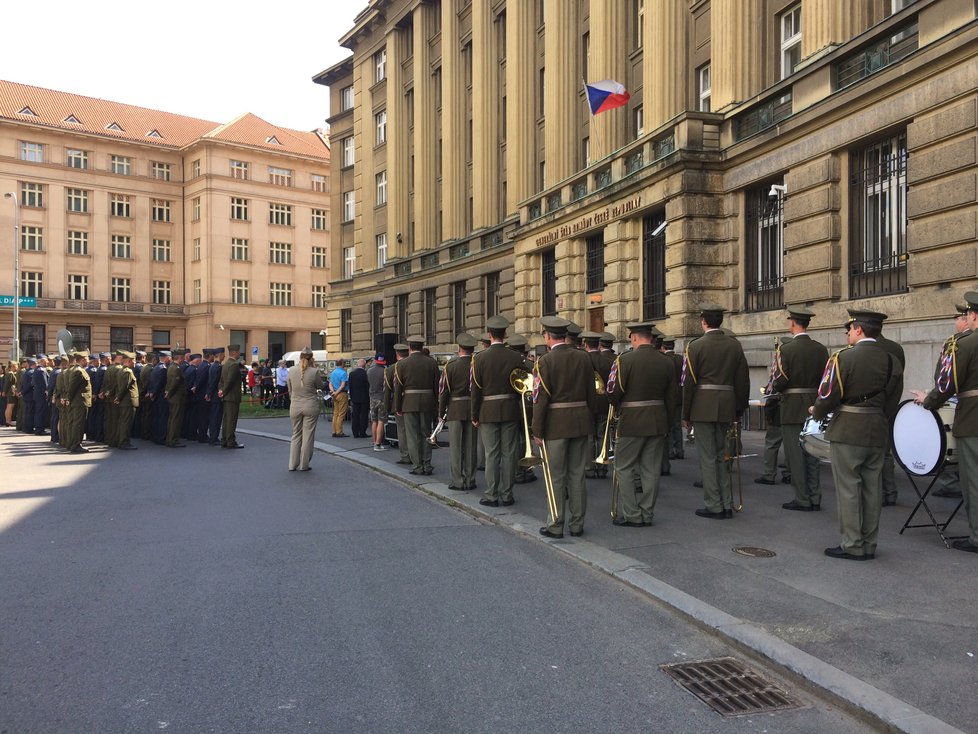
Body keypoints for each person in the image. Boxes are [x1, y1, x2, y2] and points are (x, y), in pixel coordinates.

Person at [812, 309, 903, 560]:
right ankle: (869, 543)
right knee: (872, 488)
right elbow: (893, 399)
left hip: (848, 428)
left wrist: (817, 411)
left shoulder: (843, 358)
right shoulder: (891, 360)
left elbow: (829, 394)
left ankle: (852, 544)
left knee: (849, 488)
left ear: (859, 329)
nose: (848, 334)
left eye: (850, 329)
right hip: (877, 428)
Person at [913, 294, 978, 553]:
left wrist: (928, 401)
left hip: (973, 417)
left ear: (972, 315)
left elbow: (946, 384)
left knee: (973, 480)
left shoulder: (966, 344)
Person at [682, 303, 750, 520]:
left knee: (708, 457)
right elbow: (743, 380)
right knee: (722, 455)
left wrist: (686, 414)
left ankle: (714, 504)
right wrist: (740, 408)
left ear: (703, 322)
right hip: (727, 404)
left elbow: (688, 384)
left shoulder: (695, 346)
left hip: (703, 405)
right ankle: (727, 502)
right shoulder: (734, 346)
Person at [606, 321, 678, 526]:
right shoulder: (666, 361)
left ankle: (632, 513)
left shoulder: (625, 360)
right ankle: (647, 513)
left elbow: (613, 392)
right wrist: (667, 420)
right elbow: (672, 396)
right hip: (658, 421)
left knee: (623, 466)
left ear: (635, 337)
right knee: (651, 469)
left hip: (631, 422)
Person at [533, 316, 599, 538]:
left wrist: (537, 430)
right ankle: (577, 524)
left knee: (556, 477)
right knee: (577, 475)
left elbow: (540, 399)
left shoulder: (545, 361)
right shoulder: (584, 358)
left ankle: (556, 523)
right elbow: (592, 394)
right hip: (580, 421)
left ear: (549, 337)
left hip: (556, 425)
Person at [773, 309, 829, 511]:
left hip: (792, 405)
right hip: (814, 403)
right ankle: (815, 496)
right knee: (812, 452)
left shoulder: (785, 350)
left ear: (793, 323)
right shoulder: (821, 349)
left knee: (795, 455)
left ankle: (802, 498)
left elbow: (779, 381)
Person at [471, 317, 524, 505]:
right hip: (510, 409)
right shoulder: (516, 357)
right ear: (505, 334)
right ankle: (507, 495)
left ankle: (492, 494)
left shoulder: (479, 359)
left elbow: (476, 390)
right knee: (509, 453)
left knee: (491, 454)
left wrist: (474, 415)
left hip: (488, 410)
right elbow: (522, 386)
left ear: (490, 335)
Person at [393, 336, 440, 476]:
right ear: (421, 346)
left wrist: (398, 406)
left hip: (409, 402)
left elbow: (398, 388)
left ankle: (417, 465)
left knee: (412, 435)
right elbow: (437, 386)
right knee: (427, 433)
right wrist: (437, 404)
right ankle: (427, 464)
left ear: (410, 347)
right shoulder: (431, 363)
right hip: (427, 402)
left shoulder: (402, 364)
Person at [440, 334, 478, 491]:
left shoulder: (451, 365)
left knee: (456, 447)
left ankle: (458, 481)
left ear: (459, 348)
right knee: (471, 446)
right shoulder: (477, 364)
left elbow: (444, 391)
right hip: (473, 408)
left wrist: (441, 412)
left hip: (455, 409)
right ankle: (470, 479)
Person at [286, 347, 325, 471]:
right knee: (308, 435)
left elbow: (289, 389)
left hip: (295, 405)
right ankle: (304, 464)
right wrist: (313, 367)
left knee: (296, 434)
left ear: (300, 357)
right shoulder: (314, 372)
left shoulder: (291, 370)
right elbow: (320, 385)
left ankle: (292, 464)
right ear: (311, 358)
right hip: (310, 405)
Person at [583, 331, 612, 480]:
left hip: (587, 403)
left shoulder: (581, 360)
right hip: (604, 403)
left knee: (589, 436)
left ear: (585, 344)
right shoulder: (608, 361)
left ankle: (589, 468)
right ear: (599, 345)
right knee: (603, 435)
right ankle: (602, 468)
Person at [62, 351, 93, 454]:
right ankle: (76, 445)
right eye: (87, 360)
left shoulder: (78, 370)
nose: (88, 362)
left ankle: (73, 444)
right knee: (78, 424)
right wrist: (69, 399)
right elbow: (72, 388)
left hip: (78, 401)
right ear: (83, 360)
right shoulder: (78, 371)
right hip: (79, 401)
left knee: (76, 423)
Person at [385, 345, 411, 464]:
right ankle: (417, 454)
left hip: (398, 402)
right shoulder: (414, 366)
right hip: (413, 401)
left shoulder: (391, 369)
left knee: (402, 430)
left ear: (397, 355)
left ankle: (405, 455)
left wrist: (387, 407)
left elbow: (388, 390)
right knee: (415, 430)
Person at [109, 351, 139, 450]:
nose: (135, 363)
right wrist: (119, 397)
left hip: (124, 401)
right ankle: (124, 442)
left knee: (123, 422)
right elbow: (124, 387)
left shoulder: (121, 370)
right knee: (126, 422)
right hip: (128, 401)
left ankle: (120, 440)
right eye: (134, 361)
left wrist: (118, 397)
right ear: (129, 361)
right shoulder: (128, 372)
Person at [219, 345, 245, 449]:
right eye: (239, 352)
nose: (240, 354)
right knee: (231, 420)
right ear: (234, 353)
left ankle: (224, 439)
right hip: (232, 396)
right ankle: (230, 441)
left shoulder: (226, 364)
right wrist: (224, 391)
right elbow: (230, 381)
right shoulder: (234, 365)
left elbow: (221, 380)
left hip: (226, 396)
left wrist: (221, 391)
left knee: (226, 419)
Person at [164, 349, 187, 448]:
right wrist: (169, 393)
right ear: (180, 358)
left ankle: (170, 439)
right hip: (177, 397)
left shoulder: (171, 366)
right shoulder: (177, 368)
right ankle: (173, 440)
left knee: (172, 418)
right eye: (183, 358)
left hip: (173, 397)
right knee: (175, 419)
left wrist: (167, 392)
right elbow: (174, 384)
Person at [367, 355, 389, 451]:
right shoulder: (385, 371)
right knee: (381, 420)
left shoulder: (369, 370)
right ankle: (378, 444)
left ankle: (374, 441)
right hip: (382, 398)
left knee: (374, 420)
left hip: (372, 397)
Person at [207, 347, 225, 445]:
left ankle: (213, 436)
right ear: (219, 355)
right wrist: (209, 393)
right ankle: (214, 437)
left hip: (213, 395)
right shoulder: (218, 367)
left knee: (214, 416)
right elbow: (214, 382)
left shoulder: (213, 365)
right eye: (223, 354)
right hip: (216, 396)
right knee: (216, 417)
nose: (224, 356)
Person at [348, 358, 370, 438]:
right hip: (364, 398)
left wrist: (352, 397)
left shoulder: (352, 374)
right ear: (364, 365)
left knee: (355, 415)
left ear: (357, 365)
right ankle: (362, 432)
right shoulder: (366, 374)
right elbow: (368, 386)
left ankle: (355, 432)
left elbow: (350, 387)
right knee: (364, 415)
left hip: (355, 398)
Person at [328, 358, 350, 437]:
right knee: (341, 414)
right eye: (344, 363)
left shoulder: (333, 372)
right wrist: (337, 392)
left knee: (335, 413)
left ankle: (334, 431)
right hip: (341, 394)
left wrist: (333, 392)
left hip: (334, 394)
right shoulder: (343, 373)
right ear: (342, 364)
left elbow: (330, 383)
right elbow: (343, 385)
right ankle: (339, 431)